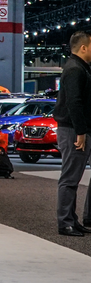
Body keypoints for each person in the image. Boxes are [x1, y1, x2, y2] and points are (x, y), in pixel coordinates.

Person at [53, 31, 91, 236]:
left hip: (72, 129)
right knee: (69, 178)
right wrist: (81, 132)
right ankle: (64, 222)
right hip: (72, 130)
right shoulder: (75, 69)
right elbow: (74, 102)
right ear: (83, 48)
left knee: (73, 178)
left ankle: (72, 219)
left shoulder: (79, 68)